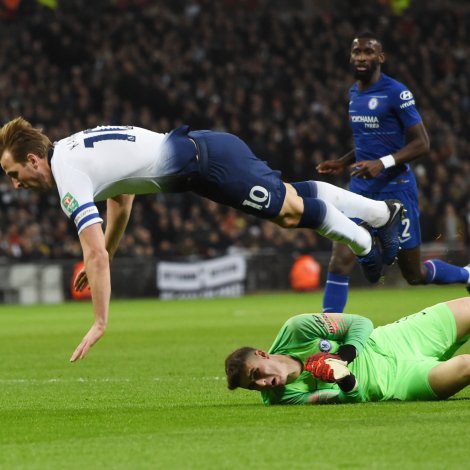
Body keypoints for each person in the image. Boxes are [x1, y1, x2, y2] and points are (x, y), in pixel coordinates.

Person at [0, 118, 403, 362]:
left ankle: (365, 244)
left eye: (15, 173)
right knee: (291, 197)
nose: (16, 185)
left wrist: (100, 320)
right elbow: (122, 200)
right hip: (207, 152)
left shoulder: (67, 177)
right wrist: (107, 250)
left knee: (290, 213)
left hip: (209, 166)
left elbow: (94, 254)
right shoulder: (70, 151)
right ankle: (383, 215)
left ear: (33, 159)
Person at [316, 32, 470, 313]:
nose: (361, 57)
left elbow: (422, 143)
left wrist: (383, 163)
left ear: (380, 57)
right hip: (361, 189)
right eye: (357, 52)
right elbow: (369, 143)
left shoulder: (397, 93)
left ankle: (467, 274)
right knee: (340, 259)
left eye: (368, 52)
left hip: (396, 188)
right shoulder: (354, 92)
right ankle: (327, 335)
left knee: (414, 274)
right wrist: (342, 161)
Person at [225, 296, 470, 405]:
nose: (263, 385)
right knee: (465, 366)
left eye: (257, 374)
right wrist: (346, 380)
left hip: (395, 339)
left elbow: (360, 323)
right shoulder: (284, 398)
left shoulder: (297, 329)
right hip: (398, 381)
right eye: (253, 386)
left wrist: (342, 357)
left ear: (262, 354)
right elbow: (351, 398)